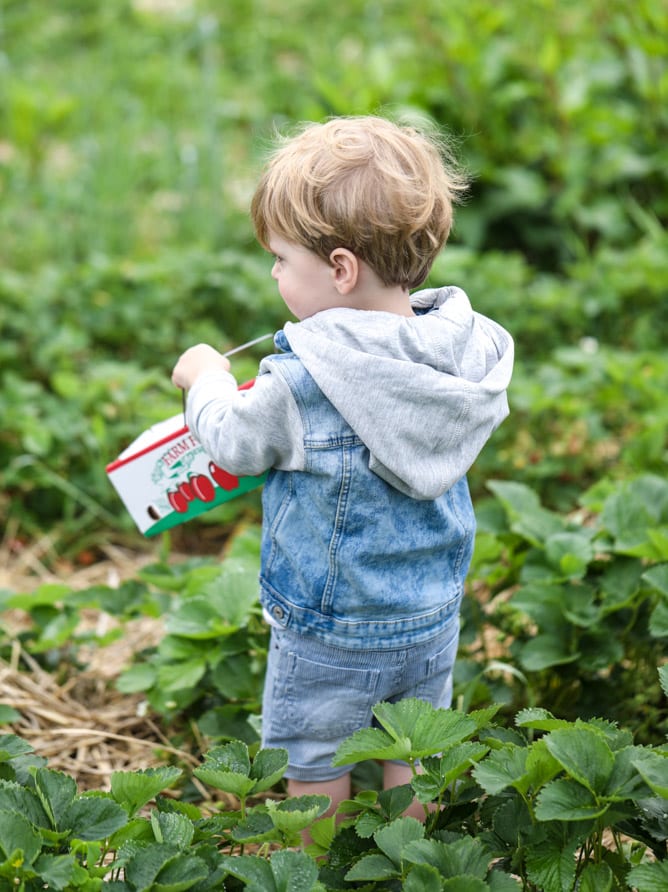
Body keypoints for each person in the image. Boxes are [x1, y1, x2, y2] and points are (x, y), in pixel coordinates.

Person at [171, 115, 513, 818]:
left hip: (328, 629)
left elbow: (233, 442)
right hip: (431, 611)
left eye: (281, 260)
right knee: (413, 750)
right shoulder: (462, 352)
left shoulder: (300, 385)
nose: (273, 272)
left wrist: (203, 379)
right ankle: (406, 860)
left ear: (339, 269)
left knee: (314, 758)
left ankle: (314, 869)